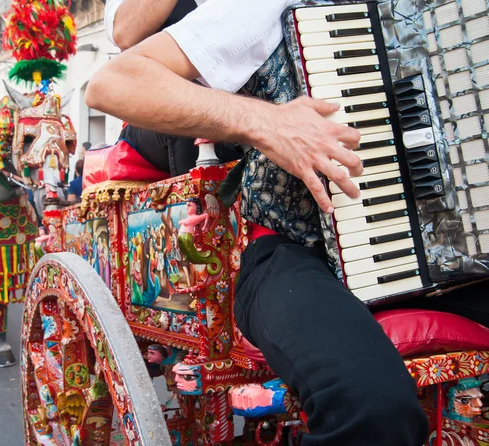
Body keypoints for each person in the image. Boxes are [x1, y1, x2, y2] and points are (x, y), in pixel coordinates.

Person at [86, 1, 489, 445]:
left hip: (462, 262)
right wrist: (266, 122)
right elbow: (114, 83)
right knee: (371, 405)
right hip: (292, 248)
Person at [105, 0, 242, 177]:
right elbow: (125, 33)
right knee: (188, 116)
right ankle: (202, 203)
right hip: (158, 113)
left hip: (233, 98)